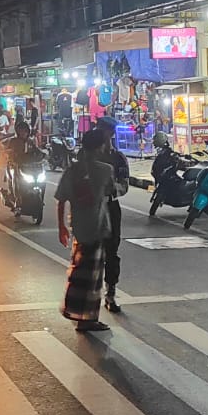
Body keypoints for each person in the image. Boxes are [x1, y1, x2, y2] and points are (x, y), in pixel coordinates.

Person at [54, 130, 115, 333]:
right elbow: (112, 191)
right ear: (100, 146)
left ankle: (79, 315)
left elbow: (61, 200)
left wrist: (62, 226)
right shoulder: (106, 170)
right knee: (93, 278)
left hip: (79, 227)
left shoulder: (72, 170)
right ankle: (88, 318)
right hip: (97, 228)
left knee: (79, 273)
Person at [95, 115, 129, 313]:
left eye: (106, 131)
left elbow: (125, 184)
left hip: (110, 207)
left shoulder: (118, 157)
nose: (104, 134)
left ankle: (110, 292)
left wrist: (110, 189)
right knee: (90, 253)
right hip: (91, 209)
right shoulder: (87, 154)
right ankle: (90, 292)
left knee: (111, 252)